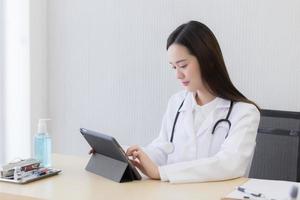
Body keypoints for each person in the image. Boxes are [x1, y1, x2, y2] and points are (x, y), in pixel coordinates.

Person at [126, 20, 260, 184]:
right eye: (174, 67)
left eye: (182, 65)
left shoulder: (245, 113)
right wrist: (133, 155)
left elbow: (229, 164)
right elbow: (163, 148)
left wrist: (161, 172)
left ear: (207, 60)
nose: (178, 75)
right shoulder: (177, 102)